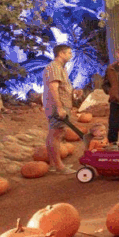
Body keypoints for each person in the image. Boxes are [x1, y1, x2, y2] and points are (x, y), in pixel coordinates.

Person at [43, 43, 75, 173]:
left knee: (56, 133)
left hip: (61, 105)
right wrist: (60, 108)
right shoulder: (54, 67)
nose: (71, 55)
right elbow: (53, 88)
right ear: (61, 53)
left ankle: (53, 164)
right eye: (69, 53)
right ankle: (59, 167)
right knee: (56, 134)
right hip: (57, 107)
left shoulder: (61, 68)